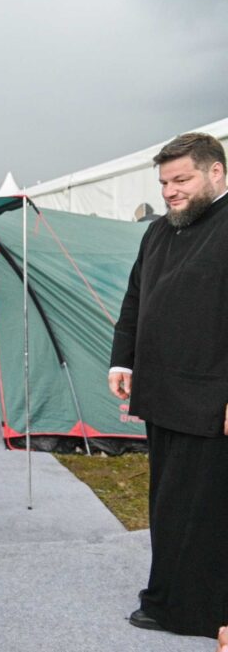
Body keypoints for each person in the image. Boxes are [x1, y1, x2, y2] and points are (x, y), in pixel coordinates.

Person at [109, 132, 228, 639]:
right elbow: (136, 299)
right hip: (161, 395)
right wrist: (124, 362)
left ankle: (210, 615)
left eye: (181, 180)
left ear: (216, 173)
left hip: (211, 399)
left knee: (209, 511)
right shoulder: (158, 231)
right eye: (163, 182)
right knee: (168, 505)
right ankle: (166, 600)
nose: (170, 191)